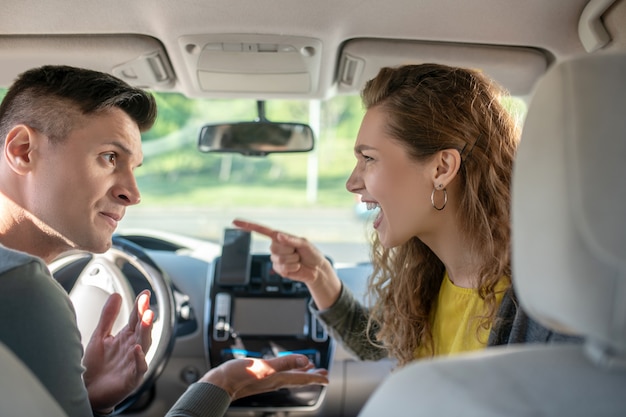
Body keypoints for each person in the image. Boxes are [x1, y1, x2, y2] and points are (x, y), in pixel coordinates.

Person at [0, 65, 328, 417]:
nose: (133, 194)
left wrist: (89, 400)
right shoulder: (22, 288)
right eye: (110, 158)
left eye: (134, 168)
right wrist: (220, 387)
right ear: (22, 150)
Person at [234, 63, 580, 368]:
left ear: (442, 168)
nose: (352, 182)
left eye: (369, 158)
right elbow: (376, 343)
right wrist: (319, 275)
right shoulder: (429, 273)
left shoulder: (544, 309)